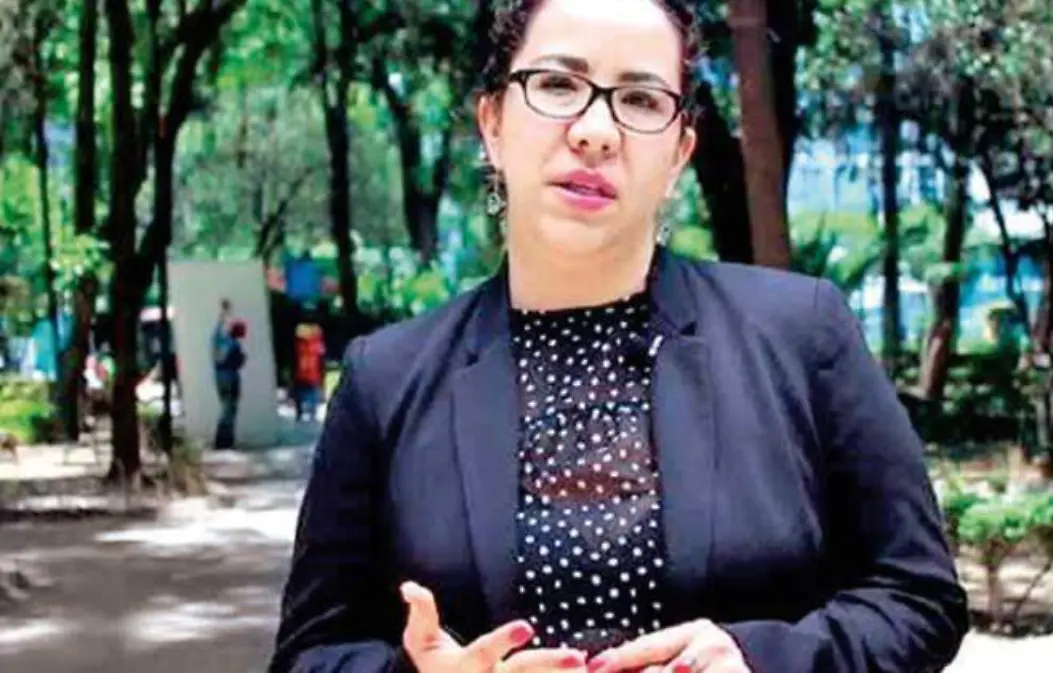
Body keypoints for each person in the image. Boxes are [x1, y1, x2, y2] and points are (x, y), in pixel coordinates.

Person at [269, 1, 970, 671]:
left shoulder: (800, 334)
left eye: (639, 99)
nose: (597, 130)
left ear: (679, 153)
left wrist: (761, 660)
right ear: (493, 123)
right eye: (558, 84)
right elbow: (309, 653)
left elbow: (918, 596)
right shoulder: (386, 377)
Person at [213, 318, 246, 449]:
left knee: (225, 408)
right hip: (231, 377)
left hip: (220, 377)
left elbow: (216, 334)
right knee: (230, 410)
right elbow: (237, 362)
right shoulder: (235, 345)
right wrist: (242, 358)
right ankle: (226, 441)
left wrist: (222, 317)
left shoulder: (222, 341)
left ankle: (221, 440)